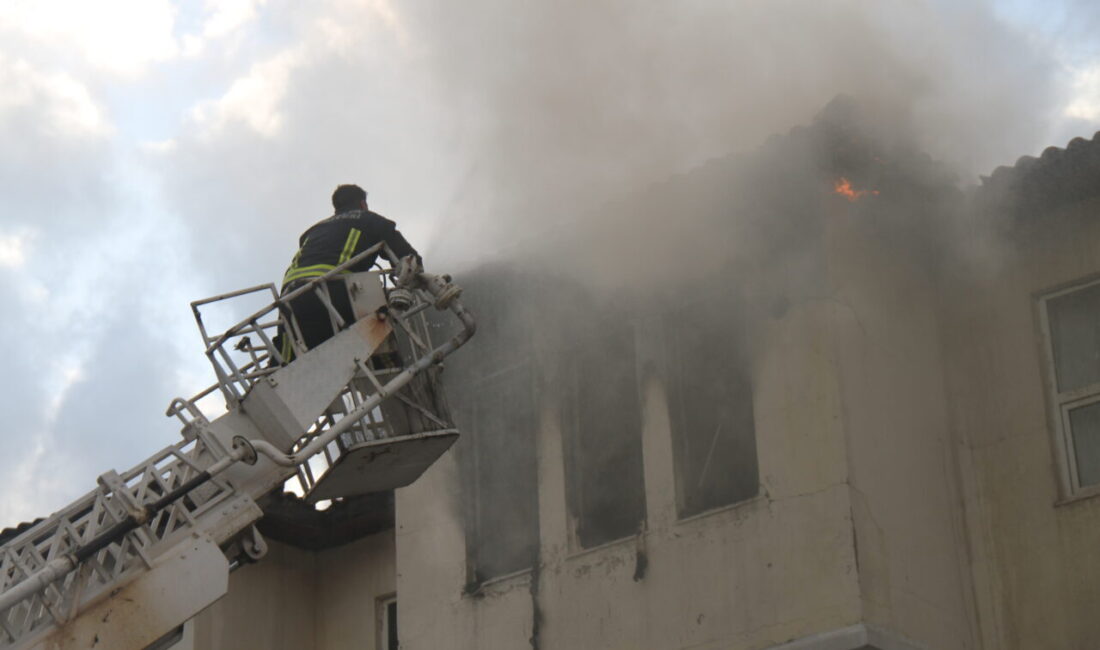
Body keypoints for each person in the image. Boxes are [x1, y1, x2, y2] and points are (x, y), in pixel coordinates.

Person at [275, 184, 420, 363]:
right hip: (332, 295)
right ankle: (389, 362)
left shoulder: (313, 232)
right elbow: (408, 258)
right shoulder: (369, 219)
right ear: (363, 204)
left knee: (286, 365)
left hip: (290, 302)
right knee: (382, 314)